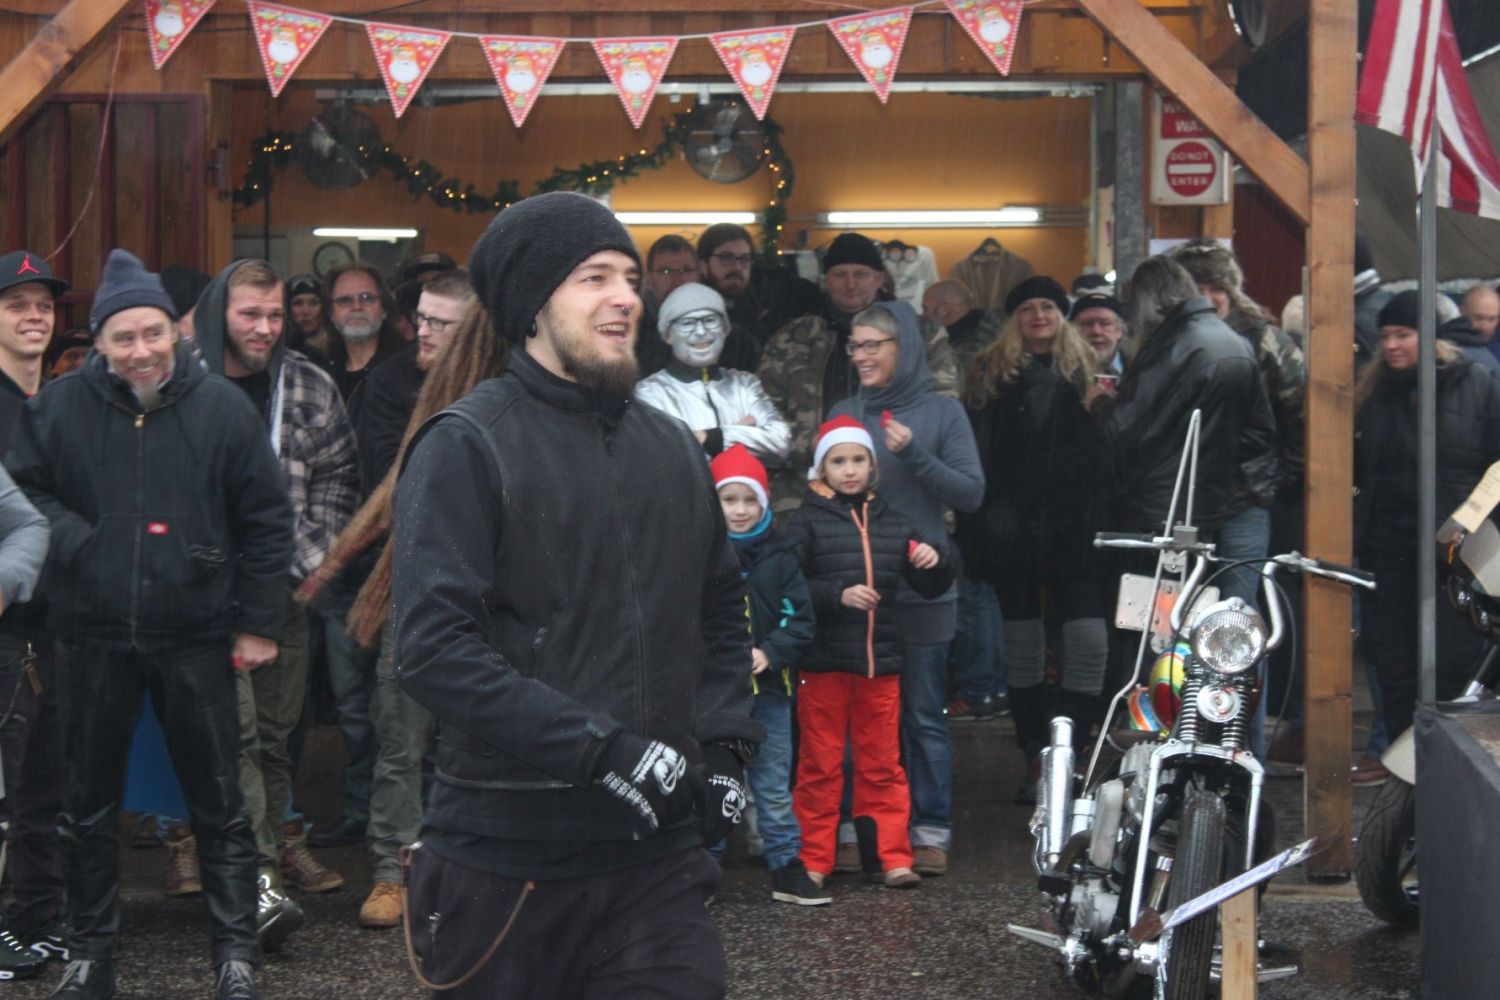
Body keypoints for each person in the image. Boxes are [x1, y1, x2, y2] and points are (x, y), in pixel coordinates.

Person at [391, 192, 762, 999]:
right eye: (594, 277)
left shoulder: (672, 446)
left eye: (629, 276)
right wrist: (600, 751)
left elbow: (720, 613)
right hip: (505, 861)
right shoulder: (466, 444)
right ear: (532, 306)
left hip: (656, 863)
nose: (625, 296)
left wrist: (727, 748)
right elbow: (431, 650)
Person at [7, 249, 294, 1000]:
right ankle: (90, 955)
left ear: (176, 332)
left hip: (195, 633)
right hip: (89, 634)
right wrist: (83, 543)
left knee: (220, 804)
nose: (142, 351)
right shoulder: (57, 408)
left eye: (153, 333)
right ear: (99, 342)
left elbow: (267, 521)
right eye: (124, 337)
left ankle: (235, 955)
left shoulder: (222, 409)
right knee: (85, 807)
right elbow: (23, 495)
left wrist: (259, 621)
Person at [191, 258, 360, 943]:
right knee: (231, 736)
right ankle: (251, 876)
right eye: (249, 315)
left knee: (273, 738)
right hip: (202, 596)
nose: (264, 328)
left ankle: (252, 872)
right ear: (219, 313)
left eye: (273, 315)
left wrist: (308, 560)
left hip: (284, 590)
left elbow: (340, 479)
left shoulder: (309, 383)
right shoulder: (183, 379)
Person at [825, 300, 981, 875]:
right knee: (852, 717)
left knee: (922, 715)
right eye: (855, 346)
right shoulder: (845, 412)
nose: (860, 356)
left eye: (873, 345)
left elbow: (970, 494)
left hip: (922, 589)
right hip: (857, 591)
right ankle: (851, 830)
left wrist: (914, 453)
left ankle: (929, 831)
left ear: (905, 348)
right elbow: (823, 492)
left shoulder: (943, 412)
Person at [783, 416, 952, 890]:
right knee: (820, 764)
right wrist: (836, 594)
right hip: (823, 665)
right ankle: (814, 859)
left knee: (882, 764)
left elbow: (931, 583)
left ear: (872, 466)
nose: (850, 470)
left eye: (859, 459)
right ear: (822, 468)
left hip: (882, 665)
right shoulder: (804, 522)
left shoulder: (893, 522)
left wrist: (934, 560)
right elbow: (786, 585)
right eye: (839, 461)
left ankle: (891, 857)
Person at [964, 276, 1111, 803]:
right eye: (1027, 308)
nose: (1039, 315)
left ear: (1061, 313)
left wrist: (1101, 410)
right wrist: (984, 527)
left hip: (1080, 529)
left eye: (1049, 305)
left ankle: (1077, 748)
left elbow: (1112, 454)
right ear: (1014, 318)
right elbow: (979, 453)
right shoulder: (988, 373)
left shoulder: (1091, 369)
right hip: (1012, 530)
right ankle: (1035, 752)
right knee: (1023, 648)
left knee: (1089, 644)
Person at [1355, 289, 1500, 755]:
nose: (1391, 345)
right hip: (1388, 549)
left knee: (1455, 663)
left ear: (1429, 336)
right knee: (1395, 665)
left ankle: (1452, 763)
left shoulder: (1475, 384)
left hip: (1456, 552)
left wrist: (1477, 527)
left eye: (1403, 334)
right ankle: (1406, 761)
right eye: (1385, 336)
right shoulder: (1372, 392)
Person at [758, 232, 958, 507]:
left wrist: (893, 442)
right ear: (826, 280)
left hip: (899, 489)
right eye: (840, 274)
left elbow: (943, 406)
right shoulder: (792, 339)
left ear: (879, 279)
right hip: (806, 493)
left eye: (861, 274)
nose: (851, 284)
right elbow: (765, 419)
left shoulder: (922, 335)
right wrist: (815, 443)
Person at [708, 445, 824, 906]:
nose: (740, 510)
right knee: (714, 781)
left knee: (773, 786)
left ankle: (785, 865)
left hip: (770, 693)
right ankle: (706, 866)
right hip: (716, 694)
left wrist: (770, 651)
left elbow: (801, 620)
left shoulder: (781, 558)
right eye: (729, 500)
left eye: (748, 500)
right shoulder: (699, 555)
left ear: (763, 503)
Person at [0, 248, 61, 981]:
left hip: (57, 624)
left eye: (43, 305)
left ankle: (36, 919)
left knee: (44, 783)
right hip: (5, 622)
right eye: (17, 305)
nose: (34, 315)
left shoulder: (59, 404)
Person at [633, 283, 791, 466]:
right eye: (687, 324)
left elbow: (781, 442)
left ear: (725, 329)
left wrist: (711, 438)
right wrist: (746, 436)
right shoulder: (650, 393)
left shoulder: (744, 385)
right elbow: (661, 454)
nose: (701, 332)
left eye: (710, 321)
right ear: (668, 335)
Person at [355, 269, 476, 490]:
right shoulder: (390, 378)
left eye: (437, 322)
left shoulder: (498, 376)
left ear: (471, 329)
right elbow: (387, 472)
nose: (422, 331)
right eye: (420, 317)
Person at [697, 223, 820, 359]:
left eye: (745, 259)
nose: (737, 267)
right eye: (726, 258)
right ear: (703, 265)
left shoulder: (761, 314)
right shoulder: (695, 322)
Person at [322, 262, 407, 411]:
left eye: (367, 298)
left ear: (384, 309)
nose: (357, 307)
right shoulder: (323, 373)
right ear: (331, 314)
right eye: (345, 300)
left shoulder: (405, 370)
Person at [636, 234, 702, 376]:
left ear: (698, 276)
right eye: (666, 271)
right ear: (649, 279)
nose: (677, 281)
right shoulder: (633, 335)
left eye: (686, 270)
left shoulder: (726, 334)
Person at [920, 279, 1001, 396]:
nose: (923, 316)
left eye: (925, 309)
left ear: (944, 309)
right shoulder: (989, 328)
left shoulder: (969, 346)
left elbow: (954, 389)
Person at [1069, 291, 1128, 376]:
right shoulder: (1058, 373)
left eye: (1105, 324)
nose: (1096, 331)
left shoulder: (1139, 369)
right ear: (1072, 331)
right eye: (1087, 324)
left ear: (1120, 331)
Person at [284, 273, 330, 361]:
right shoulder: (280, 352)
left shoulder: (339, 348)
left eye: (313, 303)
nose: (306, 311)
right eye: (297, 303)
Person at [1461, 283, 1500, 366]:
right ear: (1463, 312)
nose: (1485, 326)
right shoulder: (1445, 348)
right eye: (1478, 318)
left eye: (1492, 319)